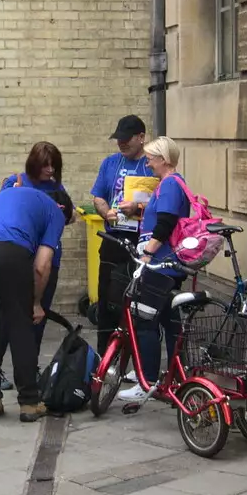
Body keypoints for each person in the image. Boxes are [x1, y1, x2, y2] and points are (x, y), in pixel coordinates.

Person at [0, 183, 64, 423]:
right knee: (20, 326)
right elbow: (42, 266)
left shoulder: (10, 195)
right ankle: (29, 403)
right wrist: (36, 303)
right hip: (9, 251)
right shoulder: (55, 211)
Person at [116, 136, 193, 405]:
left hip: (160, 265)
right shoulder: (171, 184)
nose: (147, 163)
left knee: (144, 322)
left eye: (151, 158)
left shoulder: (170, 184)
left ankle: (145, 380)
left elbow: (167, 222)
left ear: (164, 159)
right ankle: (176, 379)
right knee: (170, 324)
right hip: (169, 266)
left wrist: (148, 252)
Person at [90, 115, 154, 348]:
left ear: (141, 137)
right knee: (107, 298)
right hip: (113, 238)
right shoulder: (110, 163)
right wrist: (106, 212)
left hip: (141, 241)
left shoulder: (152, 165)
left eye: (127, 139)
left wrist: (138, 208)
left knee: (136, 302)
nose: (122, 143)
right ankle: (103, 356)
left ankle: (134, 354)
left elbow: (165, 205)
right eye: (119, 139)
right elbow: (98, 197)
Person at [1, 142, 75, 317]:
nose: (50, 170)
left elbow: (71, 216)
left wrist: (60, 213)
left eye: (54, 165)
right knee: (13, 317)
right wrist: (14, 195)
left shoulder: (56, 186)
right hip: (20, 255)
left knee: (39, 314)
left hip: (49, 256)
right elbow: (2, 214)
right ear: (34, 163)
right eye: (45, 165)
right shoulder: (17, 181)